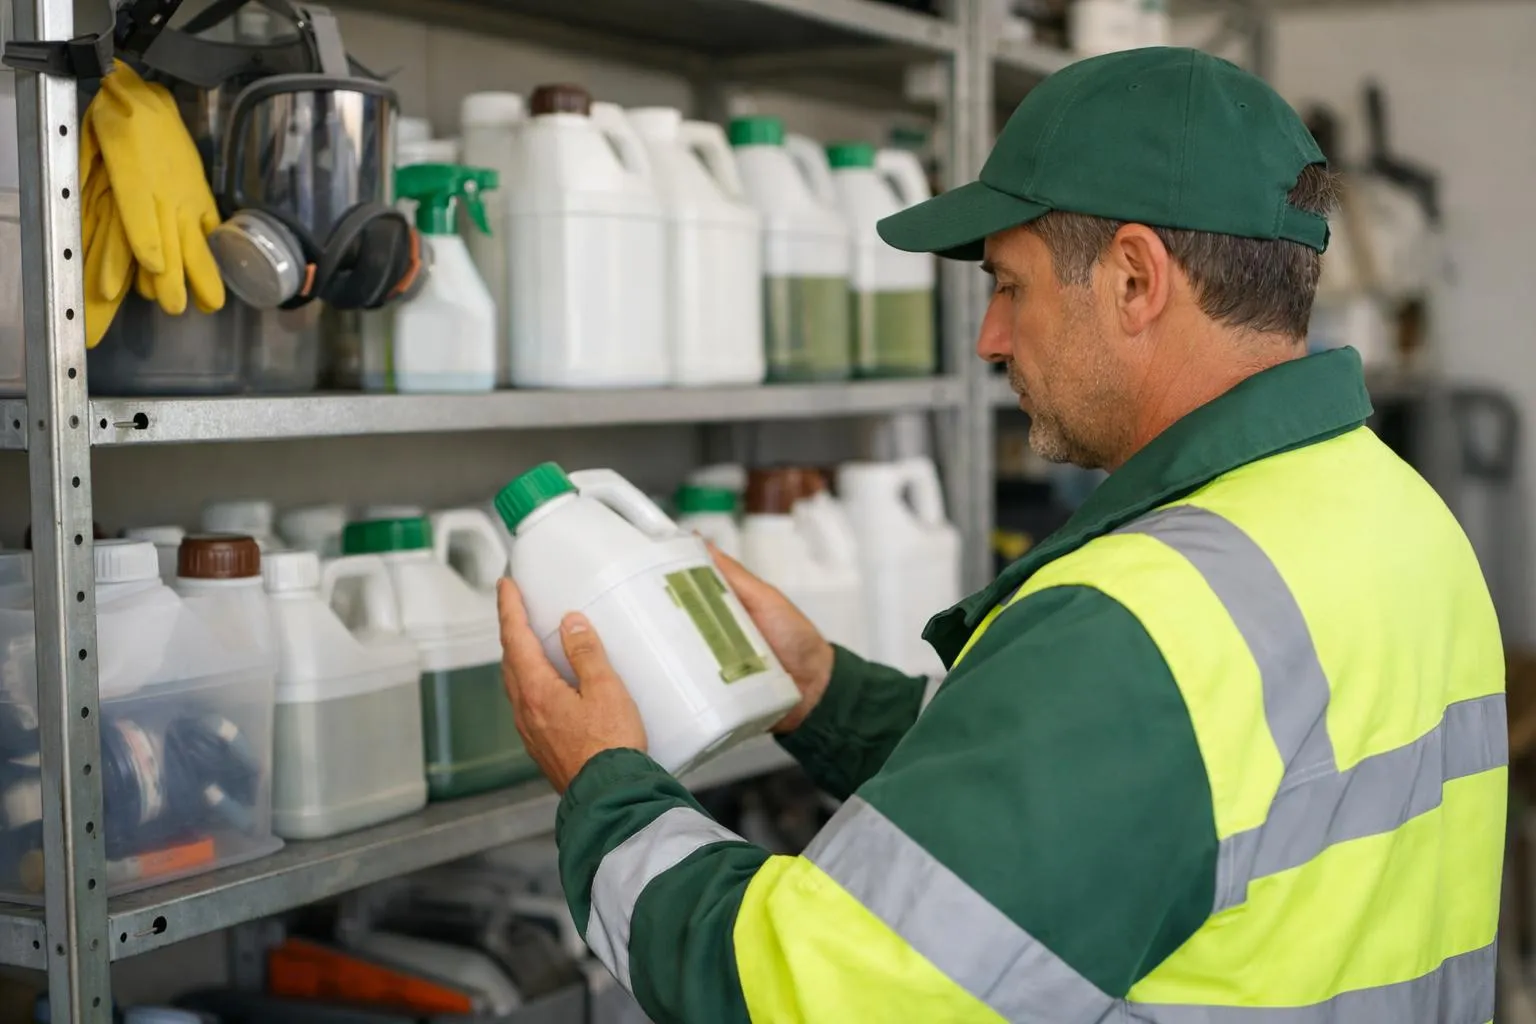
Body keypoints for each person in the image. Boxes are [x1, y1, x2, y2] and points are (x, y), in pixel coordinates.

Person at [496, 47, 1505, 1023]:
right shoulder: (1400, 512)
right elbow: (1136, 803)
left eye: (1007, 284)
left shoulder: (1140, 624)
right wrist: (823, 694)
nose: (988, 338)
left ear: (1135, 280)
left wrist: (608, 793)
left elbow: (796, 993)